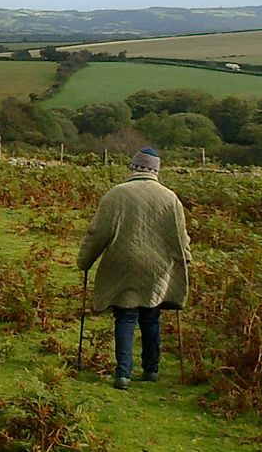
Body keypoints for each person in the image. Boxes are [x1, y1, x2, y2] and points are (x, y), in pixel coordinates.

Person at [77, 147, 190, 390]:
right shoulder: (170, 198)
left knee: (126, 316)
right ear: (156, 170)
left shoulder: (116, 194)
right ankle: (151, 370)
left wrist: (84, 261)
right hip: (157, 266)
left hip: (122, 262)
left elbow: (97, 233)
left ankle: (123, 375)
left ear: (133, 167)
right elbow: (181, 238)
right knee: (151, 315)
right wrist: (185, 260)